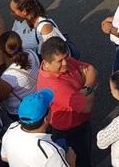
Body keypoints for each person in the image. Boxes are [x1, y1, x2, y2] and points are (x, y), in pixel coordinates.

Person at [38, 37, 98, 167]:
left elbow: (92, 70)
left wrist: (85, 89)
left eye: (66, 57)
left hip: (80, 123)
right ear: (46, 63)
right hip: (71, 132)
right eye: (60, 61)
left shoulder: (62, 64)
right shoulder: (55, 86)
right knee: (81, 161)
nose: (66, 63)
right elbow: (87, 106)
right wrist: (88, 86)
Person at [1, 89, 72, 167]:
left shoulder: (11, 129)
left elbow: (4, 158)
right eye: (50, 107)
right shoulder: (50, 151)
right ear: (46, 119)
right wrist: (71, 160)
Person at [0, 32, 42, 120]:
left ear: (2, 50)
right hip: (38, 101)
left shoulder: (7, 77)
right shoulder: (32, 53)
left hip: (19, 111)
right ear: (21, 43)